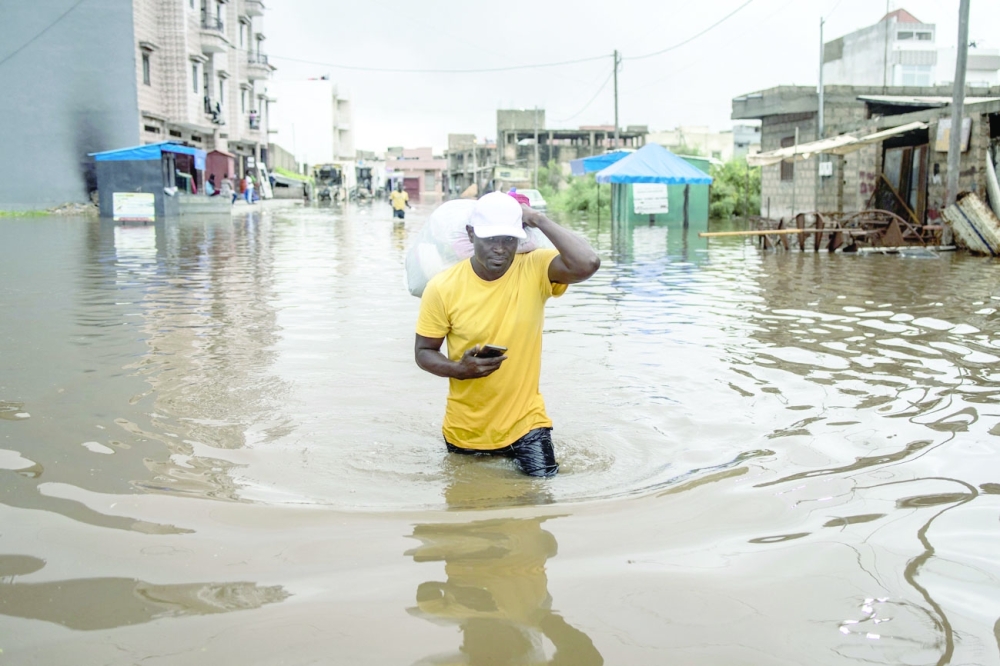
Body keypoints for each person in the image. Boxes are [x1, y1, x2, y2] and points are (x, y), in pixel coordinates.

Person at [414, 192, 600, 477]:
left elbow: (587, 263)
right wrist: (460, 369)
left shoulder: (535, 268)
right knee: (469, 511)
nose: (500, 249)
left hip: (527, 424)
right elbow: (423, 352)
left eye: (508, 239)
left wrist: (537, 218)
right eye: (490, 239)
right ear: (471, 234)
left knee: (540, 499)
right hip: (466, 430)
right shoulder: (442, 287)